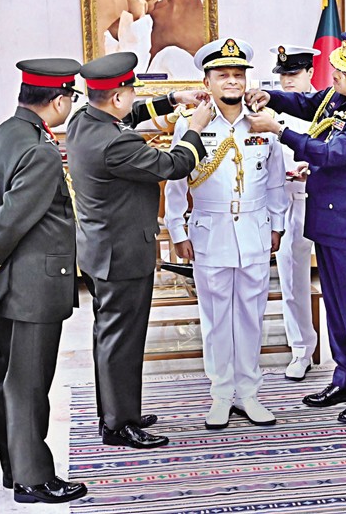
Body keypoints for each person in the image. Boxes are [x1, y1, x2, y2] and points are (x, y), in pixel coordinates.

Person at [245, 31, 346, 424]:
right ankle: (345, 378)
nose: (335, 77)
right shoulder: (341, 96)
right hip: (329, 219)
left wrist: (279, 130)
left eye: (344, 73)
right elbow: (307, 102)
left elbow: (331, 153)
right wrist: (270, 97)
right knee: (336, 306)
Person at [67, 51, 212, 449]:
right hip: (123, 257)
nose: (133, 97)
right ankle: (119, 425)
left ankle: (116, 411)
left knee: (110, 338)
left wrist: (173, 100)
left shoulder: (83, 121)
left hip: (100, 251)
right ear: (116, 96)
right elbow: (175, 165)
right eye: (130, 91)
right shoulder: (116, 144)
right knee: (122, 342)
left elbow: (129, 116)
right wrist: (196, 127)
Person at [0, 58, 88, 503]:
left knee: (8, 377)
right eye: (70, 98)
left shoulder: (4, 134)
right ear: (58, 100)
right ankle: (33, 479)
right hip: (31, 287)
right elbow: (11, 219)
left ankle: (14, 468)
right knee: (28, 384)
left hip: (4, 286)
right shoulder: (40, 150)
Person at [164, 37, 289, 429]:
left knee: (252, 315)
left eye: (238, 74)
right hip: (209, 231)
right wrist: (176, 229)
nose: (232, 81)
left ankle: (249, 393)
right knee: (216, 317)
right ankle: (220, 394)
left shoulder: (262, 123)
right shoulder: (191, 123)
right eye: (223, 75)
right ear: (208, 81)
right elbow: (175, 182)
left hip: (255, 230)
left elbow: (275, 180)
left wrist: (278, 223)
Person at [269, 44, 322, 381]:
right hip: (287, 200)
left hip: (323, 198)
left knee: (338, 280)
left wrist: (313, 169)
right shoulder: (271, 110)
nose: (287, 80)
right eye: (283, 74)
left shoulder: (327, 108)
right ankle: (301, 350)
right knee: (292, 278)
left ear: (310, 73)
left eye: (294, 73)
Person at [103, 0, 204, 79]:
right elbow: (130, 78)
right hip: (147, 91)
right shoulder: (113, 34)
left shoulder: (200, 5)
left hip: (200, 88)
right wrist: (137, 18)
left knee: (171, 56)